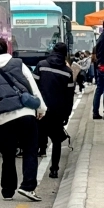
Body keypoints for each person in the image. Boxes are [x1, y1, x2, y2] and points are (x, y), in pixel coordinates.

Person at [0, 37, 48, 201]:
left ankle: (7, 190)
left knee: (8, 155)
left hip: (4, 119)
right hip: (25, 114)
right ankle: (28, 187)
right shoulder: (19, 64)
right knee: (30, 150)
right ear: (6, 49)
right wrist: (41, 108)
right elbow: (33, 87)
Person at [35, 43, 75, 178]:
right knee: (56, 140)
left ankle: (32, 170)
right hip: (58, 111)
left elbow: (33, 87)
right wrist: (67, 114)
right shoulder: (68, 72)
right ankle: (54, 169)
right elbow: (69, 97)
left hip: (41, 109)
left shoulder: (41, 65)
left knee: (36, 138)